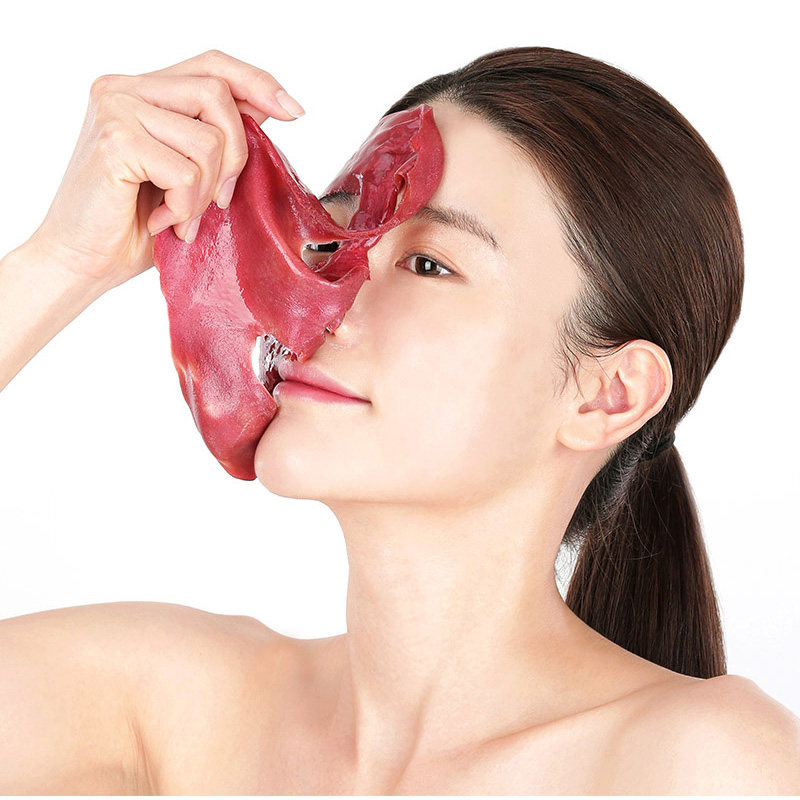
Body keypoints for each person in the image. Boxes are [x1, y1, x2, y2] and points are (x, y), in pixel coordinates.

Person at [0, 47, 797, 795]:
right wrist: (61, 262)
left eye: (428, 264)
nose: (324, 304)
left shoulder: (706, 763)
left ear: (608, 396)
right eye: (335, 240)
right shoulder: (176, 706)